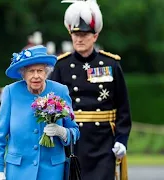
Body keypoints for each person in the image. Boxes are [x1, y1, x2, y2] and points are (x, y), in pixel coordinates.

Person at [50, 1, 132, 180]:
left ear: (95, 36)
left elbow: (123, 109)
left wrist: (121, 140)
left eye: (84, 34)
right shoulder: (61, 66)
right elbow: (51, 105)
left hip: (103, 143)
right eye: (75, 34)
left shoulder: (111, 64)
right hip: (72, 141)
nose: (79, 39)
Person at [0, 45, 80, 180]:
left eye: (40, 70)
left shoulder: (60, 91)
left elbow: (75, 131)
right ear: (23, 73)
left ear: (46, 72)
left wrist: (62, 132)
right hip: (18, 170)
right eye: (31, 71)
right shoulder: (11, 92)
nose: (36, 76)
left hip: (52, 171)